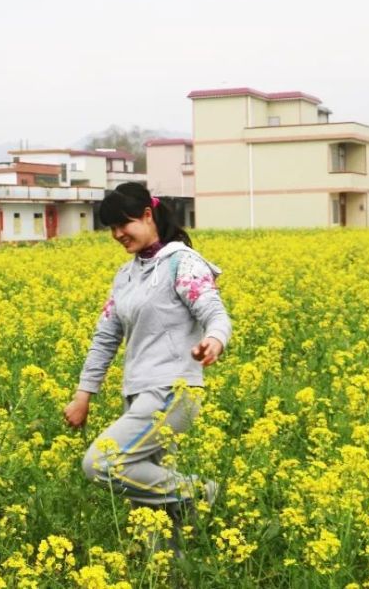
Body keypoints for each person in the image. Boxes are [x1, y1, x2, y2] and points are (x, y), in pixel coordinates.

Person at [62, 182, 232, 552]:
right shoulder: (126, 276)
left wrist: (214, 339)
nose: (117, 234)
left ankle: (200, 492)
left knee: (102, 463)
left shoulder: (181, 262)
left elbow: (213, 311)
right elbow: (105, 337)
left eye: (123, 224)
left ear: (147, 215)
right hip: (139, 393)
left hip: (173, 390)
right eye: (111, 229)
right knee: (148, 502)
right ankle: (167, 568)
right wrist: (83, 395)